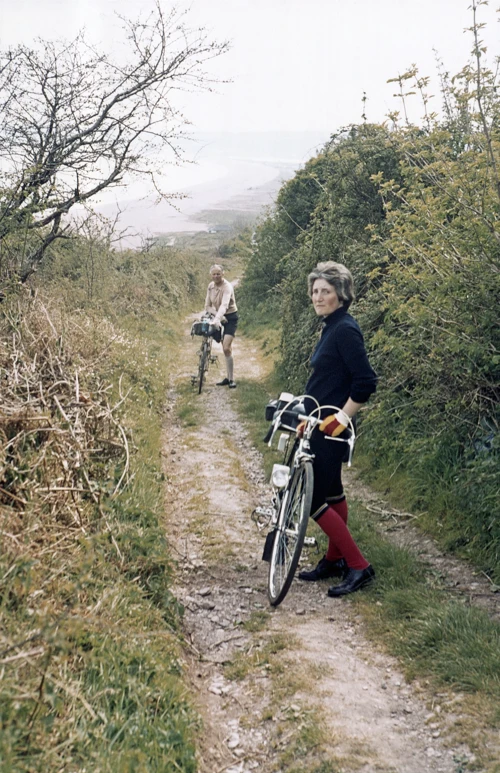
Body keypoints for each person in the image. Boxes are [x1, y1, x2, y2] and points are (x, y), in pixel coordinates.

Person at [297, 261, 378, 597]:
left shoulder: (344, 329)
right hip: (319, 422)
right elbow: (327, 380)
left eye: (325, 291)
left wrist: (343, 418)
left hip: (332, 426)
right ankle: (334, 559)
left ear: (341, 295)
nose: (318, 296)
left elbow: (366, 381)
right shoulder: (331, 325)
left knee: (314, 498)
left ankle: (359, 566)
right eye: (315, 291)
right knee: (333, 493)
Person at [204, 264, 239, 388]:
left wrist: (219, 318)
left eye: (218, 273)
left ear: (223, 274)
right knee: (211, 335)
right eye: (214, 274)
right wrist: (216, 317)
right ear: (211, 275)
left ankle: (231, 379)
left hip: (230, 317)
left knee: (226, 348)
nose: (216, 276)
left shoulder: (227, 287)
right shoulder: (210, 286)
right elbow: (207, 306)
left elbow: (224, 305)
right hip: (218, 316)